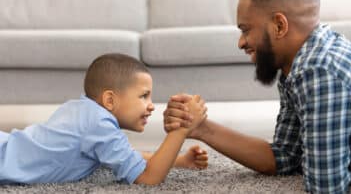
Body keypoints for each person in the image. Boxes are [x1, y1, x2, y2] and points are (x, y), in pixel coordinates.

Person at [163, 0, 351, 193]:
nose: (240, 43)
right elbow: (286, 157)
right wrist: (201, 128)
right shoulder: (299, 61)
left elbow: (326, 187)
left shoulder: (319, 73)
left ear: (279, 26)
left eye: (245, 30)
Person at [0, 53, 208, 185]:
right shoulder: (98, 124)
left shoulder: (82, 110)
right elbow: (148, 178)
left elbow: (124, 155)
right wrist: (181, 129)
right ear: (109, 100)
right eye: (144, 96)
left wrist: (180, 161)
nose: (152, 105)